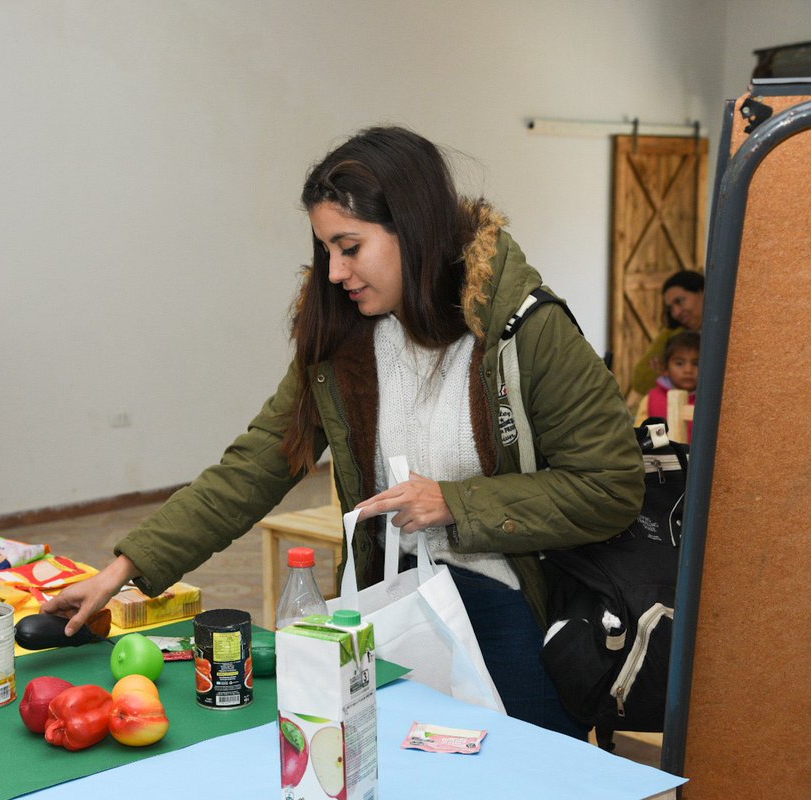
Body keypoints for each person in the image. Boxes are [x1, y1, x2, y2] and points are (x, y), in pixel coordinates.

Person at [44, 126, 644, 737]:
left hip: (512, 609)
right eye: (326, 249)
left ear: (412, 229)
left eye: (349, 246)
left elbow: (611, 485)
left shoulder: (528, 329)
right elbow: (253, 467)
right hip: (391, 607)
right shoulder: (344, 339)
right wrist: (122, 571)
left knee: (530, 777)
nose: (333, 271)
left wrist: (455, 503)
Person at [630, 269, 704, 397]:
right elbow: (640, 381)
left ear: (702, 292)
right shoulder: (673, 335)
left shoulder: (730, 329)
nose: (676, 313)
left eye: (679, 301)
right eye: (671, 308)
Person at [647, 330, 698, 439]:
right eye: (679, 363)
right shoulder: (651, 397)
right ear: (665, 368)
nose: (688, 370)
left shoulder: (711, 400)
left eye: (696, 364)